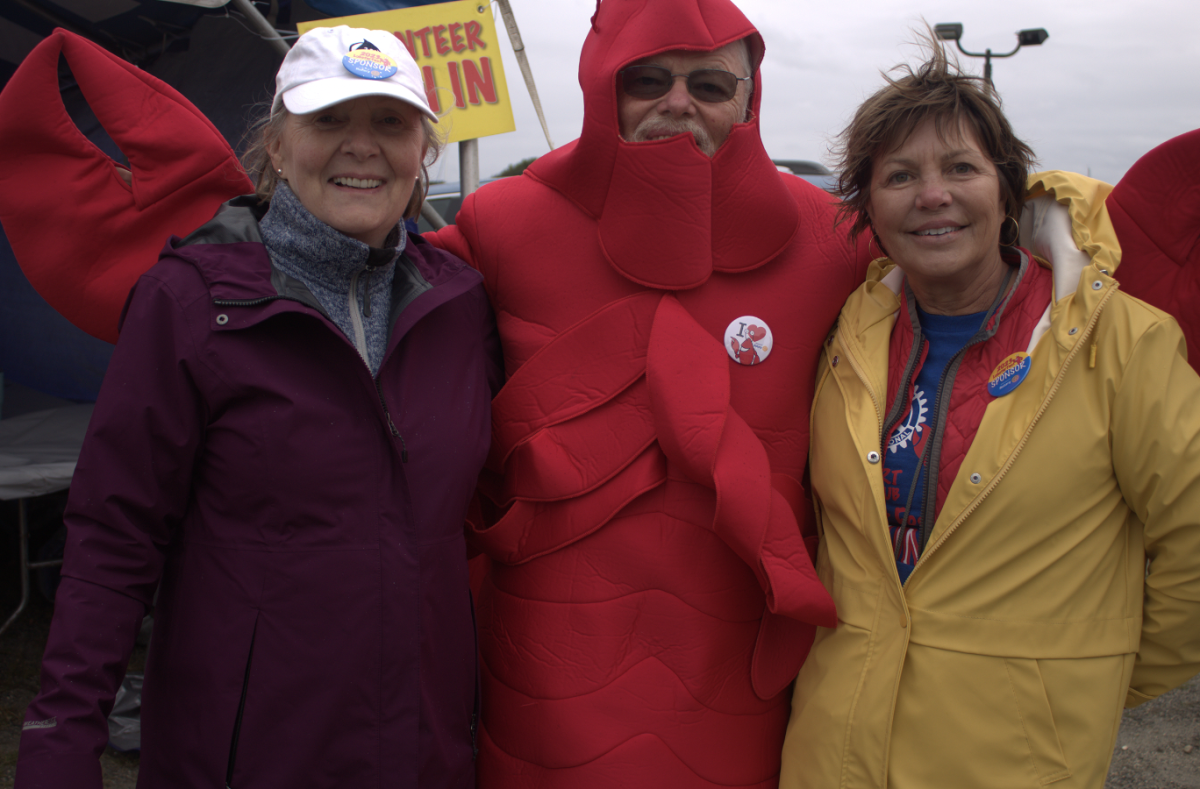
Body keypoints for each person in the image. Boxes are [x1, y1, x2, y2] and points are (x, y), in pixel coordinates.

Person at [16, 25, 500, 789]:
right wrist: (60, 738)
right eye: (329, 121)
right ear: (275, 147)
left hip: (423, 748)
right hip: (244, 754)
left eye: (389, 123)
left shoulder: (462, 306)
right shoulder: (188, 302)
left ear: (424, 153)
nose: (361, 146)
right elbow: (114, 539)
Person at [423, 0, 868, 785]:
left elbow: (966, 263)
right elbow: (361, 292)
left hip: (740, 656)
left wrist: (1043, 213)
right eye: (649, 79)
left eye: (709, 84)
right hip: (546, 659)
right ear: (603, 88)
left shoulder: (832, 240)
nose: (678, 102)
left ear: (750, 97)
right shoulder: (502, 220)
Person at [778, 41, 1200, 789]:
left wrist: (1088, 668)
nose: (930, 194)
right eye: (899, 176)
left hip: (1015, 758)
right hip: (835, 749)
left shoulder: (1119, 340)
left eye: (960, 169)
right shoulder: (847, 333)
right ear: (868, 206)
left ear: (1008, 191)